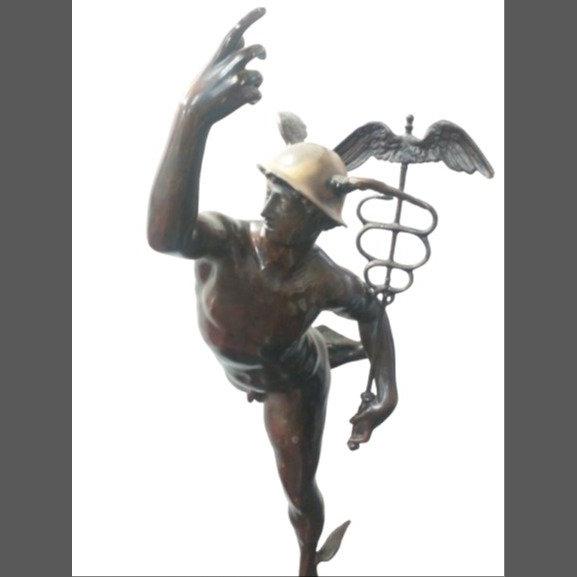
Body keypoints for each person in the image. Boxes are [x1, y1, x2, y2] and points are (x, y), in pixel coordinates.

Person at [147, 8, 397, 576]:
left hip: (290, 381)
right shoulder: (226, 241)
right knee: (299, 344)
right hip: (254, 362)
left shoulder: (323, 279)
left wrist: (386, 391)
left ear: (318, 222)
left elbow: (373, 313)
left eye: (286, 200)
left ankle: (308, 557)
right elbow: (165, 235)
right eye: (271, 189)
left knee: (298, 489)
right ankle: (328, 345)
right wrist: (192, 119)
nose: (267, 204)